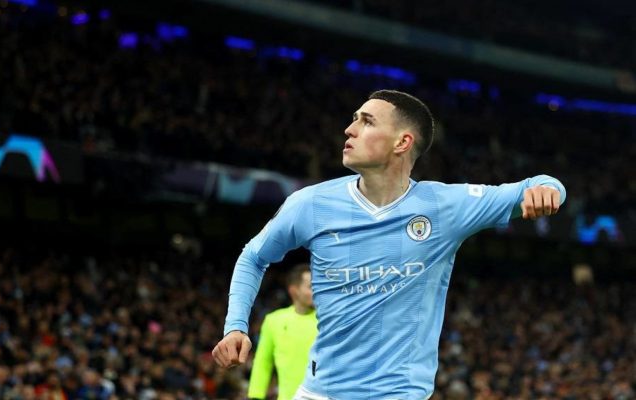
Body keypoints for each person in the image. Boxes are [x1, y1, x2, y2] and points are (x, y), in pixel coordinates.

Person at [212, 90, 566, 399]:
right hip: (318, 392)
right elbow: (253, 257)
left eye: (366, 122)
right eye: (354, 120)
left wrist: (550, 190)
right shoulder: (311, 204)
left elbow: (541, 182)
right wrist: (235, 326)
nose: (349, 130)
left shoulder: (445, 207)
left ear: (402, 142)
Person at [248, 263, 318, 400]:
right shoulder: (273, 321)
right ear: (294, 290)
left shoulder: (327, 320)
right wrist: (256, 396)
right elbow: (263, 362)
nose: (316, 291)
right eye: (310, 287)